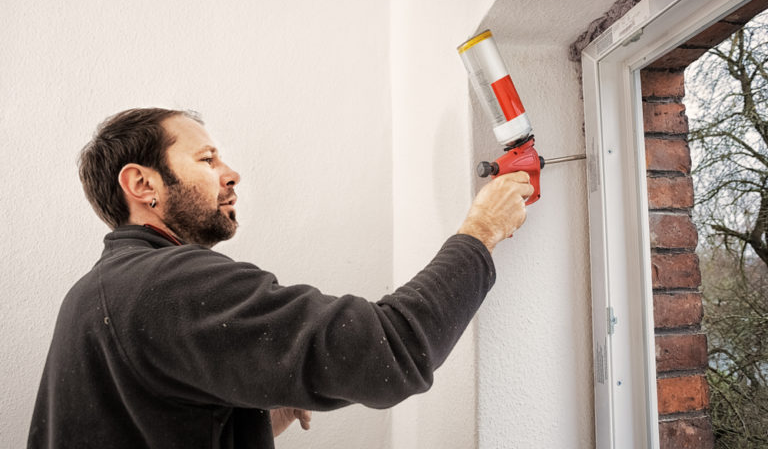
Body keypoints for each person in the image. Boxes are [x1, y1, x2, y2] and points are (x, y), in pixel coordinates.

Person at [28, 108, 532, 449]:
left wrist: (259, 416)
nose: (231, 173)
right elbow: (392, 351)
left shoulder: (96, 292)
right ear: (142, 184)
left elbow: (154, 426)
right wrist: (482, 231)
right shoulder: (170, 283)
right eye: (206, 159)